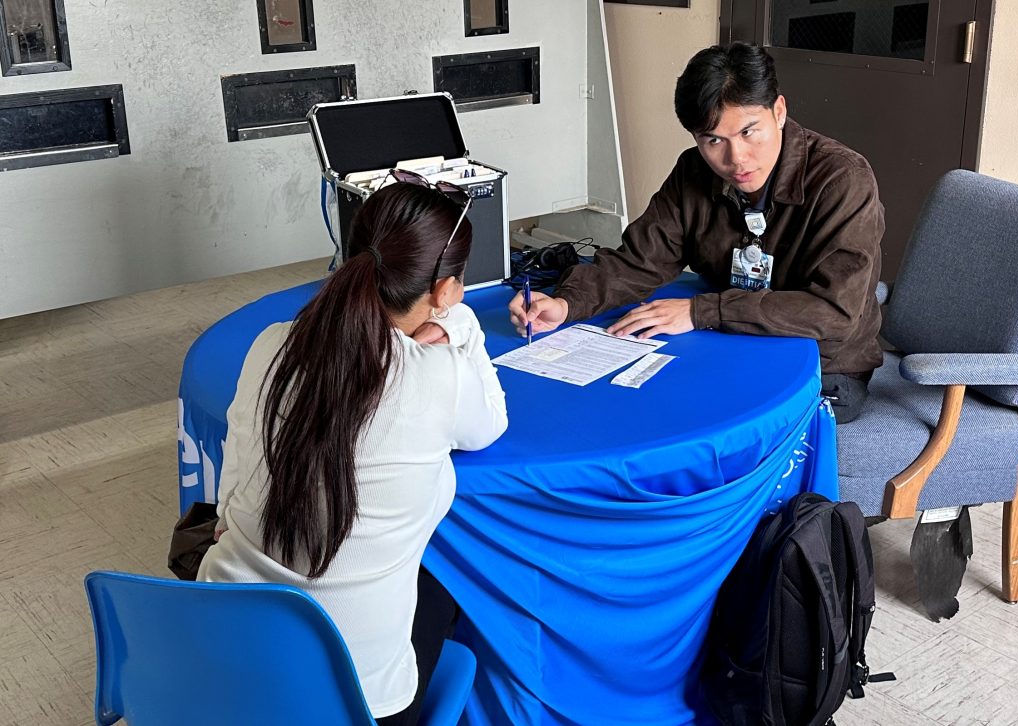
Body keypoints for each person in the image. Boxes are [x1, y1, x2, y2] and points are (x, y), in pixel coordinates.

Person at [198, 180, 508, 725]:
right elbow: (489, 426)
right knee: (448, 588)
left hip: (216, 657)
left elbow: (236, 472)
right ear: (446, 290)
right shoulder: (437, 376)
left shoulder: (273, 343)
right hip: (356, 698)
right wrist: (461, 329)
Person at [509, 42, 884, 423]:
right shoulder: (694, 172)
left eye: (750, 132)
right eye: (713, 140)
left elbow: (835, 311)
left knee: (726, 424)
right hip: (732, 339)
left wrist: (702, 310)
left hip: (826, 365)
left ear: (780, 111)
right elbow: (639, 261)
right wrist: (567, 303)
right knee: (639, 407)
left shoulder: (842, 179)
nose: (735, 158)